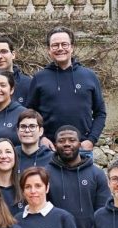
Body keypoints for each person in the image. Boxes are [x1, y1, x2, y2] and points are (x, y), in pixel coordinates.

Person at [25, 27, 106, 159]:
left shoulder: (89, 76)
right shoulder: (39, 78)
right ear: (49, 50)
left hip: (82, 149)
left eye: (64, 44)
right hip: (49, 149)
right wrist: (42, 138)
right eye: (55, 45)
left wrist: (91, 140)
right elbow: (30, 114)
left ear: (72, 47)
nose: (60, 48)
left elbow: (100, 113)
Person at [14, 110, 53, 176]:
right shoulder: (10, 157)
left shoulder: (51, 158)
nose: (27, 130)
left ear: (41, 131)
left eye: (32, 126)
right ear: (17, 131)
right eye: (23, 126)